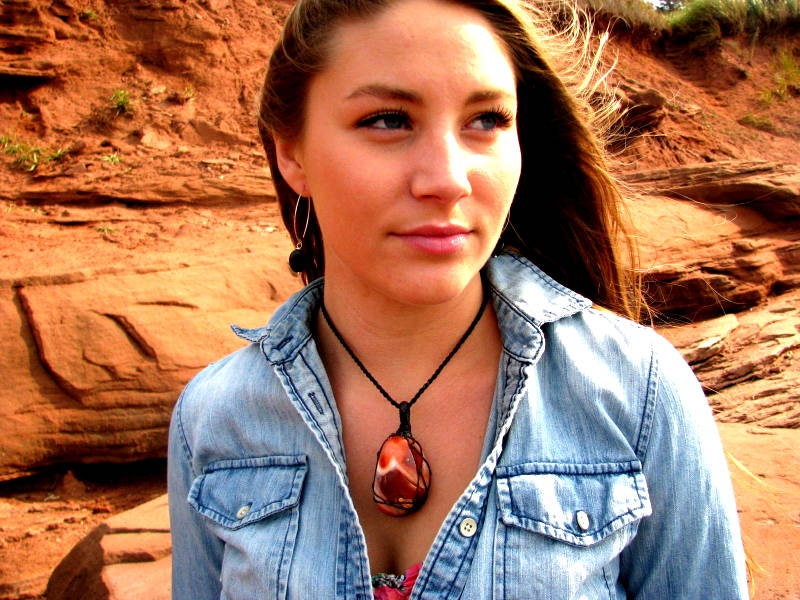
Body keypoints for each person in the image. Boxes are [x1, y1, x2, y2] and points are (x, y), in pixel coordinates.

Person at [168, 0, 749, 597]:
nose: (447, 179)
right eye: (388, 120)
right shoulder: (214, 416)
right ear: (292, 152)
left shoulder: (638, 390)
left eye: (488, 120)